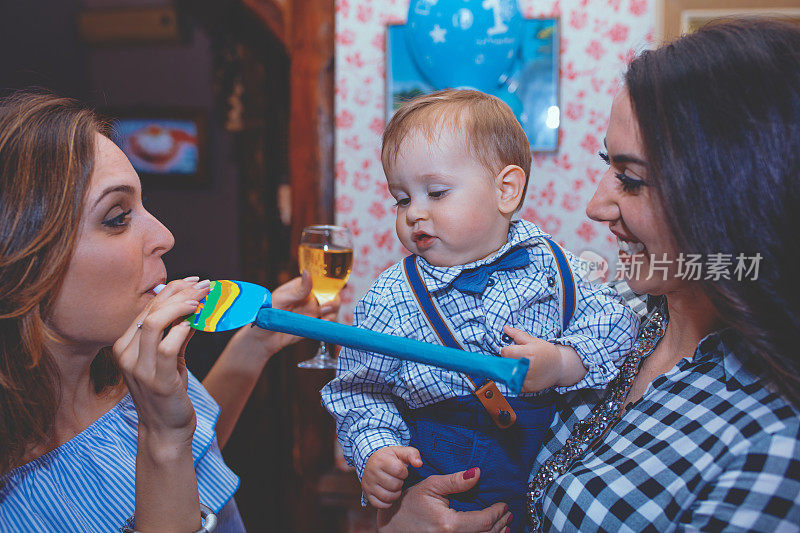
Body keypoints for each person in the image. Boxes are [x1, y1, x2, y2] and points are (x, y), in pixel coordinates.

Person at [376, 18, 800, 532]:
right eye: (607, 165)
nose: (595, 205)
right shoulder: (610, 304)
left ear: (736, 193)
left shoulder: (771, 440)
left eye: (631, 179)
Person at [0, 90, 338, 532]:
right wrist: (163, 438)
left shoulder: (132, 372)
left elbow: (196, 455)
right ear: (23, 260)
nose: (165, 235)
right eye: (117, 217)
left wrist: (252, 346)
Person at [321, 89, 638, 528]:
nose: (414, 214)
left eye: (435, 192)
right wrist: (375, 451)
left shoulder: (553, 265)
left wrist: (563, 362)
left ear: (505, 190)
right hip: (434, 475)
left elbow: (617, 323)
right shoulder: (391, 296)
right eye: (403, 198)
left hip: (534, 487)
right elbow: (359, 389)